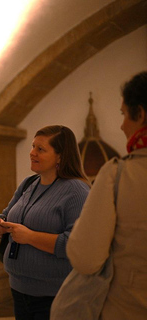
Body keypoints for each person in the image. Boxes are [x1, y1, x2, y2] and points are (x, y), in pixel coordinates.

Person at [66, 71, 147, 318]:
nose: (122, 124)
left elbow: (85, 258)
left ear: (141, 114)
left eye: (123, 114)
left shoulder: (118, 173)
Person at [0, 125, 90, 319]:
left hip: (54, 294)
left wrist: (30, 237)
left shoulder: (76, 191)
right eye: (33, 146)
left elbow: (76, 245)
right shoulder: (29, 183)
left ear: (60, 156)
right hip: (19, 288)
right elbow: (7, 214)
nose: (32, 153)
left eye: (40, 149)